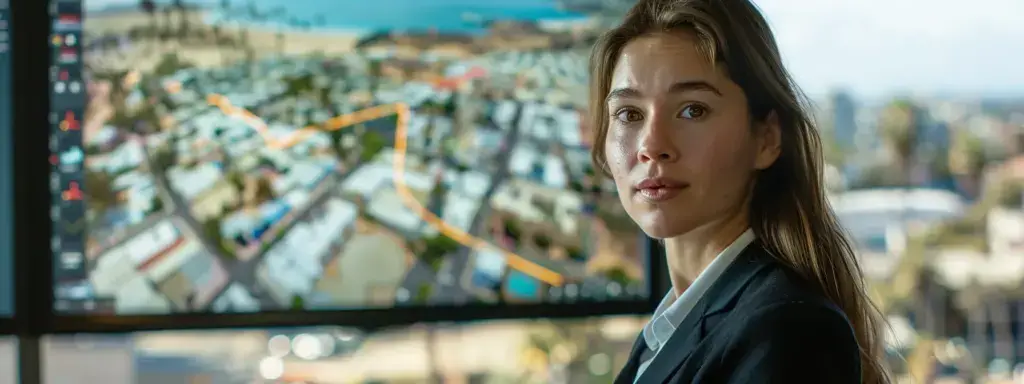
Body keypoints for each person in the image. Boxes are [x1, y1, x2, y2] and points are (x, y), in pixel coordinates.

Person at [590, 0, 892, 383]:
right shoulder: (673, 328)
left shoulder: (788, 329)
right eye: (629, 114)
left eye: (692, 110)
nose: (652, 145)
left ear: (766, 138)